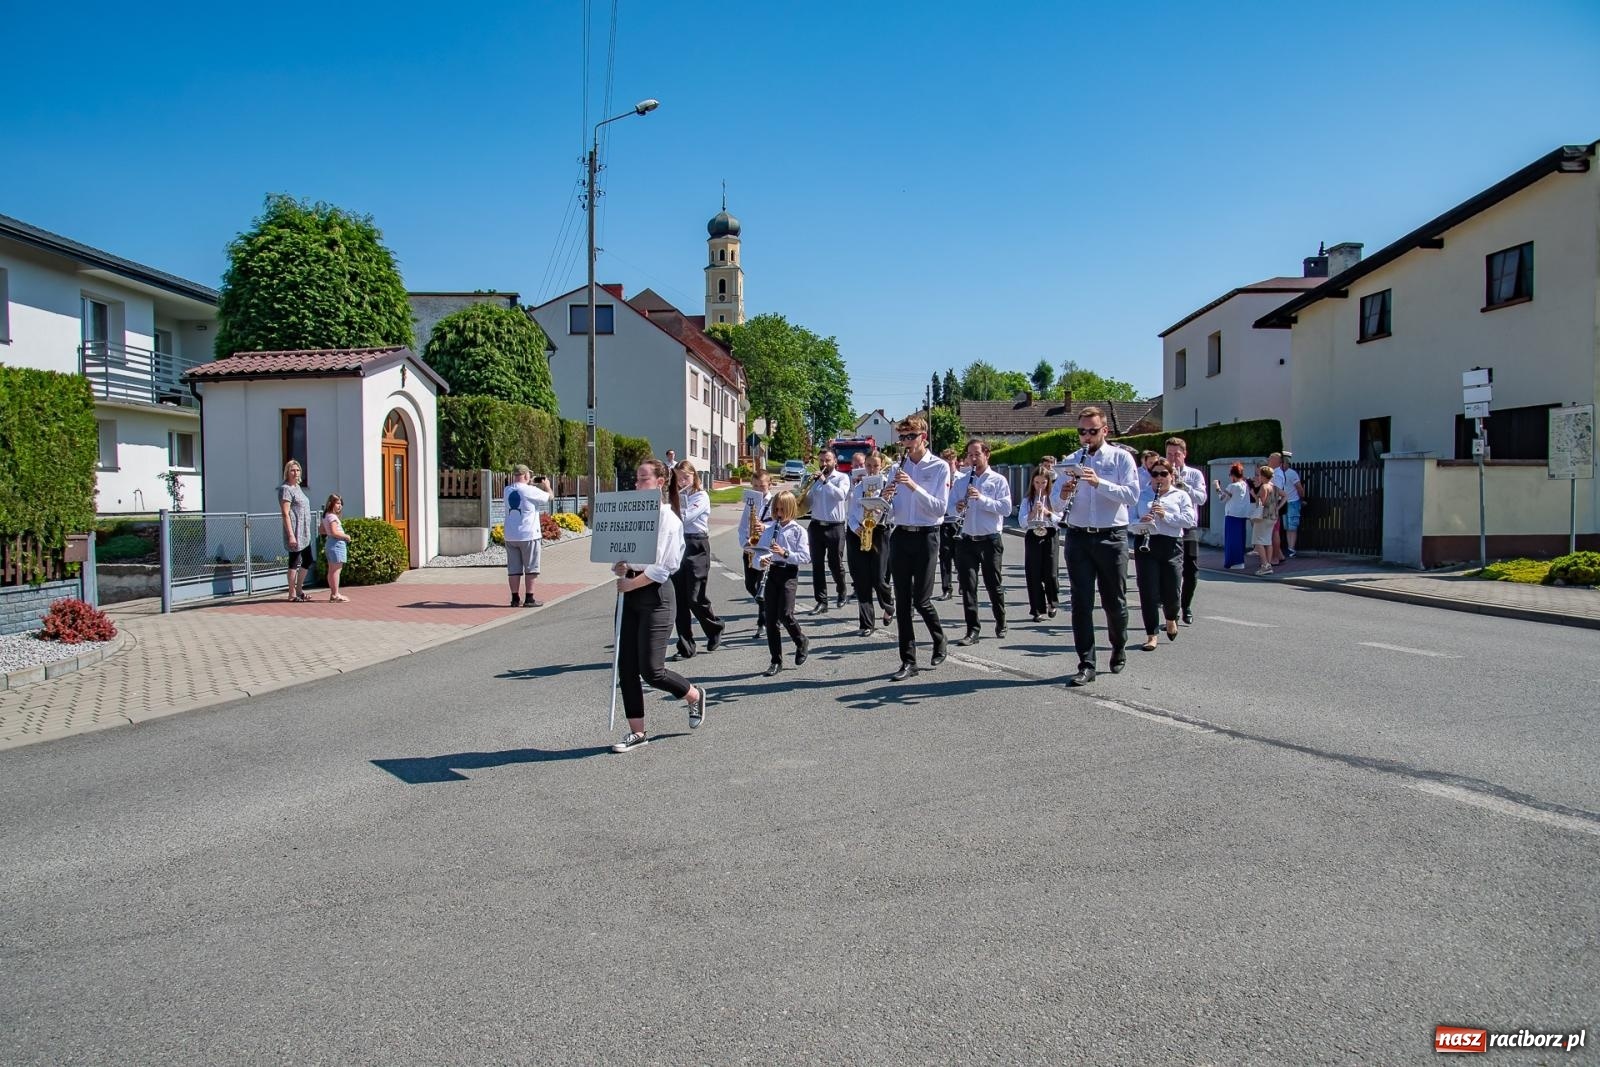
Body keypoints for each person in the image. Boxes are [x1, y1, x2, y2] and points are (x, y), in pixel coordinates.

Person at [609, 458, 709, 754]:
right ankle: (637, 732)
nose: (637, 484)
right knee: (625, 667)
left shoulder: (668, 518)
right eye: (637, 479)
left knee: (651, 670)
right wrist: (620, 566)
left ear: (660, 483)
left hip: (656, 596)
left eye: (643, 479)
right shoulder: (632, 515)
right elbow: (625, 553)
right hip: (629, 594)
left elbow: (662, 567)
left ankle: (692, 695)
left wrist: (631, 582)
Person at [1056, 407, 1139, 687]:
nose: (1087, 437)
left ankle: (1118, 645)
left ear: (1105, 430)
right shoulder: (1069, 461)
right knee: (1081, 603)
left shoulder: (1120, 458)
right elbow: (1055, 505)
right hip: (1078, 536)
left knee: (1114, 601)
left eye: (1092, 431)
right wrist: (1064, 493)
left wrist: (1098, 482)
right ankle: (1086, 663)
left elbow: (1132, 495)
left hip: (1111, 536)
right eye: (1082, 432)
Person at [883, 416, 950, 681]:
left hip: (927, 536)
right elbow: (893, 510)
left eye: (910, 437)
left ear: (924, 436)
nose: (906, 443)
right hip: (900, 535)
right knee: (902, 602)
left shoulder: (939, 467)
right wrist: (885, 499)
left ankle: (939, 637)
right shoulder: (896, 468)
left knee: (921, 599)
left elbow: (939, 508)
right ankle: (908, 661)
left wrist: (912, 486)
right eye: (903, 438)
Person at [952, 439, 1013, 646]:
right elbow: (951, 507)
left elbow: (1006, 509)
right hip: (967, 539)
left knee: (993, 585)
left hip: (990, 540)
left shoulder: (998, 480)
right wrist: (958, 506)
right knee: (968, 587)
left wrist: (982, 499)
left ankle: (1001, 620)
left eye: (977, 454)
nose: (973, 458)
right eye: (970, 455)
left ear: (987, 455)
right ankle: (972, 630)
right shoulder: (962, 481)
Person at [1133, 462, 1197, 651]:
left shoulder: (1181, 495)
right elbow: (1127, 520)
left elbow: (1189, 520)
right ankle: (1151, 634)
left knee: (1172, 589)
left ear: (1172, 476)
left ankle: (1171, 618)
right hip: (1146, 543)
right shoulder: (1142, 495)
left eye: (1163, 474)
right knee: (1148, 591)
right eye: (1155, 474)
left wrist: (1165, 515)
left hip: (1171, 545)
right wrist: (1140, 521)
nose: (1159, 478)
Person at [752, 490, 812, 675]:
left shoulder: (798, 531)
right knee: (771, 620)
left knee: (785, 613)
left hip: (788, 573)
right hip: (772, 573)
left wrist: (785, 553)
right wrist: (760, 561)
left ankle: (800, 640)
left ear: (791, 509)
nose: (778, 514)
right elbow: (757, 555)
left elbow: (805, 557)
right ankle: (775, 660)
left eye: (782, 510)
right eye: (776, 509)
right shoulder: (769, 530)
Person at [670, 461, 725, 658]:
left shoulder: (702, 496)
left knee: (695, 596)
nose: (682, 481)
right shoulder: (675, 496)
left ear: (694, 476)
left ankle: (715, 627)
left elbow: (685, 516)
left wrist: (670, 509)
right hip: (678, 545)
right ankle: (686, 646)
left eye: (686, 477)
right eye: (679, 478)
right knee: (679, 599)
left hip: (697, 545)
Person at [845, 451, 895, 635]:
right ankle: (866, 623)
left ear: (881, 466)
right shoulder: (859, 488)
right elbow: (850, 513)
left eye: (875, 466)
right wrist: (854, 527)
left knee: (879, 578)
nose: (872, 469)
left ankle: (888, 605)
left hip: (880, 532)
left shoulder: (888, 486)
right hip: (859, 532)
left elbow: (894, 514)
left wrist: (885, 501)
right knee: (861, 580)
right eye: (869, 466)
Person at [1165, 437, 1208, 625]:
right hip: (1167, 526)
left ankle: (1186, 606)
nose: (1173, 459)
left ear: (1184, 454)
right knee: (1168, 571)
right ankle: (1170, 610)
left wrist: (1183, 484)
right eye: (1169, 454)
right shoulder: (1161, 472)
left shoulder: (1194, 474)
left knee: (1191, 570)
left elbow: (1201, 499)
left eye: (1177, 454)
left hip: (1187, 526)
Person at [802, 450, 851, 614]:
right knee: (817, 565)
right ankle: (821, 601)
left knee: (835, 563)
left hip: (835, 526)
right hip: (816, 526)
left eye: (827, 460)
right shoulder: (814, 480)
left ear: (834, 461)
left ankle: (841, 590)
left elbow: (841, 496)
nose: (823, 464)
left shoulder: (842, 478)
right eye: (821, 460)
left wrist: (824, 482)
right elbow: (807, 502)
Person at [1018, 465, 1060, 622]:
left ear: (1048, 483)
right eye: (1037, 482)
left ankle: (1052, 602)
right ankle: (1036, 609)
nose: (1040, 486)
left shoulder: (1054, 499)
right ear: (1032, 483)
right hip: (1033, 533)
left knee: (1050, 572)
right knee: (1033, 573)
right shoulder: (1027, 500)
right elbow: (1022, 522)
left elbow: (1060, 521)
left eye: (1043, 483)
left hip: (1050, 534)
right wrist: (1033, 512)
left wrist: (1048, 512)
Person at [503, 464, 549, 607]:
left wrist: (530, 483)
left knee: (514, 569)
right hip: (529, 535)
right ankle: (529, 598)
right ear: (526, 475)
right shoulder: (530, 490)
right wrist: (547, 486)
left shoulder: (507, 490)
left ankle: (515, 598)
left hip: (511, 535)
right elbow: (549, 497)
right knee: (531, 567)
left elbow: (520, 489)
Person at [738, 468, 776, 638]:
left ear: (769, 485)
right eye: (755, 486)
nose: (759, 490)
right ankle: (771, 608)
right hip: (750, 548)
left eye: (762, 486)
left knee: (762, 587)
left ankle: (763, 622)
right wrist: (744, 543)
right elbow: (742, 527)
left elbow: (780, 524)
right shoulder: (750, 503)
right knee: (750, 585)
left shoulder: (775, 502)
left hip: (766, 549)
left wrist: (765, 527)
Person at [278, 460, 313, 603]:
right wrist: (291, 535)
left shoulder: (297, 487)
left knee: (308, 559)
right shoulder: (285, 489)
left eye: (297, 470)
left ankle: (299, 589)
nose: (295, 473)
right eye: (292, 470)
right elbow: (285, 513)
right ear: (287, 472)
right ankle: (291, 593)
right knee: (294, 561)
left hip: (304, 531)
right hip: (295, 530)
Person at [1212, 463, 1253, 570]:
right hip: (1242, 515)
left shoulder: (1232, 486)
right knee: (1240, 538)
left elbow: (1222, 498)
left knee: (1231, 540)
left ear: (1233, 475)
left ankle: (1232, 562)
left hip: (1232, 515)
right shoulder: (1245, 484)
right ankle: (1240, 561)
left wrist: (1217, 486)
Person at [937, 448, 962, 601]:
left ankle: (962, 580)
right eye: (945, 463)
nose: (948, 466)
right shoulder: (940, 479)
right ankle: (947, 589)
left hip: (958, 521)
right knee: (944, 555)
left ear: (956, 463)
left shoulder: (963, 479)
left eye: (950, 463)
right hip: (943, 520)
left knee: (959, 555)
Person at [1272, 451, 1304, 560]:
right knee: (1286, 526)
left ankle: (1291, 548)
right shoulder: (1278, 473)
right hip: (1285, 502)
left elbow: (1298, 487)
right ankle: (1289, 548)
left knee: (1292, 525)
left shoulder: (1291, 473)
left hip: (1292, 501)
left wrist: (1301, 497)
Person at [320, 494, 351, 603]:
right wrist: (346, 536)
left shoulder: (326, 516)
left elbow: (322, 530)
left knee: (332, 570)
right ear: (331, 503)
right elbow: (334, 532)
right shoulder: (332, 517)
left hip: (330, 543)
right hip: (336, 544)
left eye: (341, 504)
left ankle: (334, 593)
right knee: (336, 571)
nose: (340, 506)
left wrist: (329, 532)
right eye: (337, 503)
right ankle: (335, 594)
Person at [1251, 464, 1282, 575]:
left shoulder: (1264, 487)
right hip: (1273, 516)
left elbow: (1261, 503)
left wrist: (1254, 495)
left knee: (1258, 540)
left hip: (1263, 517)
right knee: (1268, 541)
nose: (1258, 477)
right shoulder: (1274, 486)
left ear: (1263, 476)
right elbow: (1285, 495)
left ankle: (1265, 565)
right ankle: (1268, 565)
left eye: (1259, 475)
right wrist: (1278, 507)